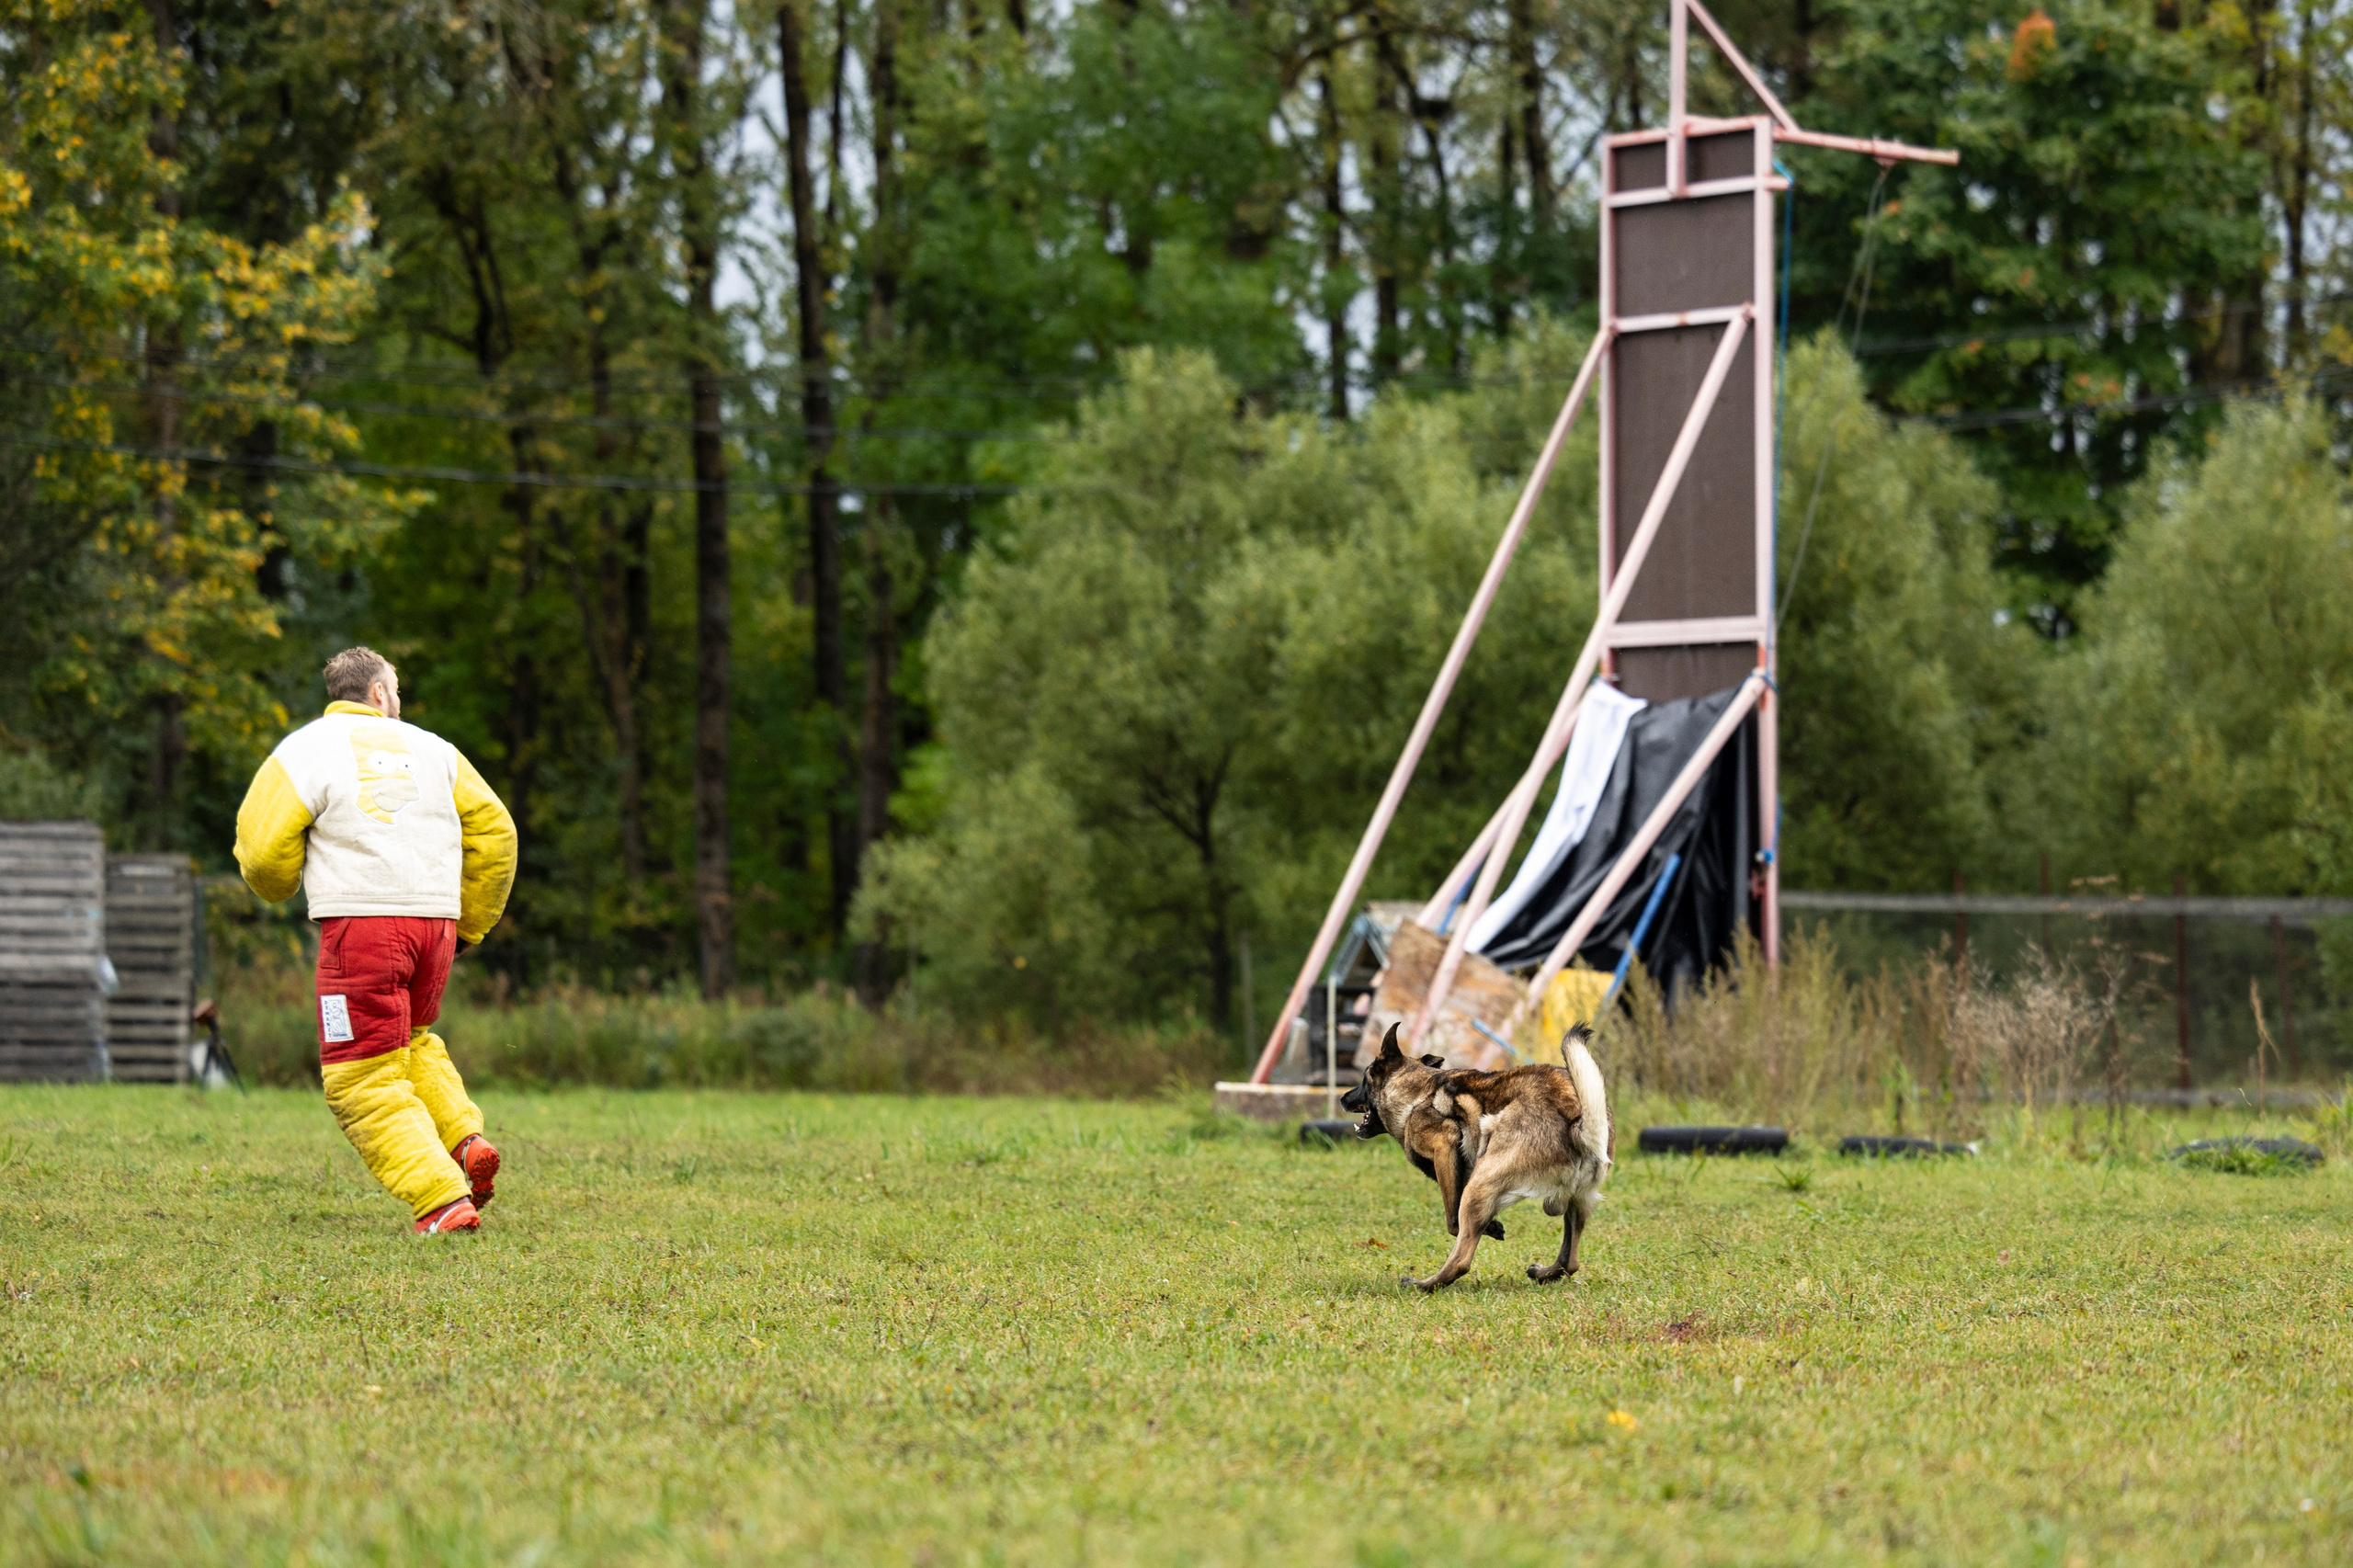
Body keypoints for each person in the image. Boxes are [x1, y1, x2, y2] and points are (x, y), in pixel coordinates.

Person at [233, 647, 518, 1233]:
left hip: (361, 931)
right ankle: (464, 1142)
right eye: (398, 692)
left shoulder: (305, 750)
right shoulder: (438, 751)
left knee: (360, 1076)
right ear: (379, 693)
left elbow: (261, 854)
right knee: (409, 1042)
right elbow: (497, 834)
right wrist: (469, 924)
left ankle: (441, 1199)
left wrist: (282, 885)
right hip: (435, 929)